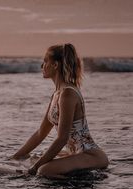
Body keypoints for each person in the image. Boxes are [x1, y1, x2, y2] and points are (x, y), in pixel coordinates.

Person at [11, 43, 109, 178]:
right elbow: (40, 133)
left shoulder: (68, 94)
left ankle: (79, 181)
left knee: (44, 170)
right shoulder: (56, 94)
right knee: (34, 157)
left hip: (90, 155)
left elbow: (62, 138)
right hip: (74, 154)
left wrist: (35, 168)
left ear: (55, 65)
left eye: (45, 61)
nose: (42, 66)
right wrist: (16, 157)